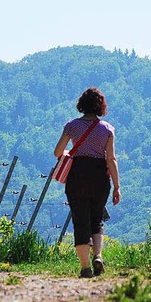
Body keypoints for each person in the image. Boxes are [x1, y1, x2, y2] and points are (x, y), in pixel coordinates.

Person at [54, 87, 121, 278]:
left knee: (80, 219)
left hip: (77, 175)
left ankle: (85, 267)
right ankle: (98, 256)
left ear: (81, 105)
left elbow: (58, 152)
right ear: (101, 106)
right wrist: (117, 186)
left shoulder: (71, 126)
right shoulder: (107, 129)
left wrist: (69, 153)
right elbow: (111, 159)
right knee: (96, 218)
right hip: (100, 175)